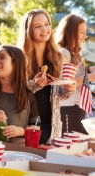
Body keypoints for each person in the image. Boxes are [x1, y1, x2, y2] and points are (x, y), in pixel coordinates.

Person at [17, 9, 76, 144]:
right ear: (27, 31)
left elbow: (60, 96)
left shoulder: (59, 58)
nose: (44, 29)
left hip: (50, 127)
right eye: (38, 26)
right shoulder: (19, 58)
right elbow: (13, 95)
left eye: (47, 24)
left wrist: (68, 89)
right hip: (24, 127)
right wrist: (34, 85)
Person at [54, 14, 95, 134]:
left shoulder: (73, 54)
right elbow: (64, 84)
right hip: (68, 109)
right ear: (70, 32)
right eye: (81, 32)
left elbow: (72, 76)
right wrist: (89, 77)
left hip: (75, 109)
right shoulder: (64, 53)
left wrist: (87, 72)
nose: (85, 36)